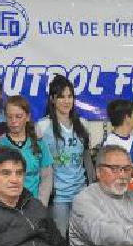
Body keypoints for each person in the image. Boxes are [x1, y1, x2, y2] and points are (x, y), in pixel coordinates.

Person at [36, 75, 93, 237]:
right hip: (58, 196)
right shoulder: (42, 126)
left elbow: (87, 159)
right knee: (59, 241)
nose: (66, 101)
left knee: (83, 239)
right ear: (52, 99)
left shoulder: (83, 124)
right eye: (61, 96)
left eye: (70, 96)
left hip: (81, 193)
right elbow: (39, 162)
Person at [0, 95, 53, 205]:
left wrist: (41, 203)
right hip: (6, 205)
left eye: (18, 116)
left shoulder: (39, 143)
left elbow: (47, 177)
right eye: (10, 117)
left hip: (33, 204)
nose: (13, 121)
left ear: (27, 117)